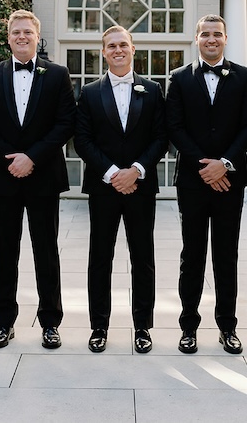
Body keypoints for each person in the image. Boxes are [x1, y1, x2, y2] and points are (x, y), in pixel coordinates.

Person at [0, 10, 75, 350]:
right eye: (16, 32)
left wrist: (31, 157)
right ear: (8, 37)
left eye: (27, 32)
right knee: (4, 252)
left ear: (37, 36)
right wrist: (11, 159)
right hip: (4, 178)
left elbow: (65, 124)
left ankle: (50, 323)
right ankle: (4, 323)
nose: (21, 37)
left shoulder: (57, 74)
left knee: (46, 252)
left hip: (43, 175)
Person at [166, 14, 247, 354]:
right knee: (192, 256)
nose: (211, 39)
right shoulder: (178, 78)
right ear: (196, 39)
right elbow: (174, 127)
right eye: (205, 34)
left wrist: (225, 165)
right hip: (192, 180)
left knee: (226, 256)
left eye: (217, 34)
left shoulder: (244, 77)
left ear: (225, 38)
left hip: (229, 180)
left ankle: (228, 328)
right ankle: (188, 327)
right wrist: (205, 166)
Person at [74, 26, 167, 353]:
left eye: (123, 45)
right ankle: (99, 326)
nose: (117, 50)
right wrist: (114, 173)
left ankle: (143, 327)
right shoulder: (89, 92)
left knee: (143, 258)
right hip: (104, 187)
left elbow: (161, 137)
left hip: (141, 188)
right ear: (103, 52)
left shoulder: (153, 90)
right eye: (111, 45)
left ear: (132, 49)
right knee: (100, 258)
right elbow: (82, 140)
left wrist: (137, 170)